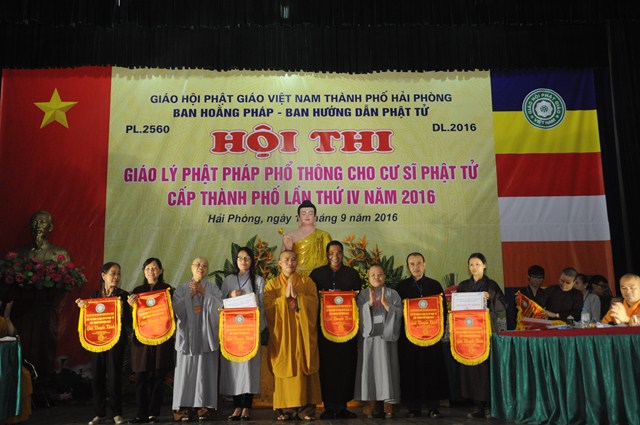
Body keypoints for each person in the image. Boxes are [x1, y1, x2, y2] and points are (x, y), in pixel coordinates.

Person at [263, 250, 321, 421]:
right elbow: (268, 307)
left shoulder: (307, 282)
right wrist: (284, 299)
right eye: (286, 260)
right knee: (284, 367)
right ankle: (287, 410)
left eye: (293, 259)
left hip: (303, 334)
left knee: (304, 367)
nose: (290, 262)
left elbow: (314, 304)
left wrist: (299, 298)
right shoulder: (272, 285)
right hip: (283, 337)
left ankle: (306, 410)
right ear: (280, 264)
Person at [309, 241, 363, 420]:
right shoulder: (317, 274)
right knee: (327, 367)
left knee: (346, 365)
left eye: (339, 252)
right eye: (332, 253)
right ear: (327, 255)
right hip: (325, 329)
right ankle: (329, 407)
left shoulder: (352, 274)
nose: (335, 256)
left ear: (343, 254)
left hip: (347, 329)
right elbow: (311, 299)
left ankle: (343, 406)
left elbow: (358, 299)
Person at [75, 262, 130, 425]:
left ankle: (117, 414)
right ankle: (99, 414)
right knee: (97, 377)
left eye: (118, 273)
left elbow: (129, 322)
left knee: (114, 377)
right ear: (103, 276)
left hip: (116, 341)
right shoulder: (94, 295)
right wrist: (82, 307)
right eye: (113, 273)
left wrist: (125, 310)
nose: (116, 277)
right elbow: (89, 318)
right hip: (97, 341)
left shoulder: (123, 295)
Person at [395, 252, 448, 418]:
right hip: (409, 339)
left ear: (424, 265)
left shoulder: (435, 285)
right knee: (411, 371)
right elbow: (397, 313)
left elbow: (443, 310)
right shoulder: (401, 287)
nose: (416, 267)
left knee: (432, 370)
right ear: (408, 266)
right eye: (412, 264)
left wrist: (438, 331)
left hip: (431, 337)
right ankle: (414, 407)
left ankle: (434, 407)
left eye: (419, 263)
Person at [172, 257, 223, 422]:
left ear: (207, 269)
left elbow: (220, 309)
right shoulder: (182, 288)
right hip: (187, 337)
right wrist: (190, 295)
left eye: (204, 265)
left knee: (205, 371)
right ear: (191, 268)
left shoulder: (213, 288)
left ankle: (204, 407)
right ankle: (183, 408)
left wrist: (204, 293)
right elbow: (176, 309)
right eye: (197, 264)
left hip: (206, 336)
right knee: (185, 371)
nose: (201, 267)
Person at [456, 253, 506, 419]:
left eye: (477, 264)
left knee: (487, 367)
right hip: (469, 332)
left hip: (486, 331)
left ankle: (491, 405)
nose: (474, 267)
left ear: (484, 265)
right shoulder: (463, 285)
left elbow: (502, 306)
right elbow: (457, 307)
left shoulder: (491, 285)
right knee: (473, 368)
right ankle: (477, 406)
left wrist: (490, 297)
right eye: (471, 264)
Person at [219, 247, 266, 422]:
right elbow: (220, 303)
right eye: (240, 258)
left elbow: (264, 305)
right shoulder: (229, 280)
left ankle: (247, 407)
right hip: (233, 332)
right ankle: (236, 406)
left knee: (249, 369)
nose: (243, 261)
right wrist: (230, 295)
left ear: (252, 261)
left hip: (249, 332)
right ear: (236, 260)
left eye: (247, 258)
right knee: (234, 369)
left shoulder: (258, 280)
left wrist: (254, 302)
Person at [127, 258, 175, 424]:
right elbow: (130, 319)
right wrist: (131, 306)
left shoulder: (167, 290)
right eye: (148, 268)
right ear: (143, 271)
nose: (151, 271)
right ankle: (141, 414)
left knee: (158, 376)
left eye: (154, 268)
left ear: (160, 271)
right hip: (142, 340)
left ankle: (153, 413)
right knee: (141, 376)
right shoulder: (137, 291)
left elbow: (173, 313)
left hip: (162, 339)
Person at [354, 265, 402, 419]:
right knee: (369, 371)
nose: (376, 277)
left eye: (380, 274)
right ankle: (371, 409)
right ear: (368, 278)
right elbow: (357, 315)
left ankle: (389, 408)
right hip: (369, 341)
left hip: (386, 340)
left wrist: (388, 306)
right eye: (373, 275)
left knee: (388, 371)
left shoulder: (392, 294)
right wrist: (367, 305)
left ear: (384, 277)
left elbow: (399, 313)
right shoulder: (363, 295)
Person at [0, 300, 33, 425]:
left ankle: (10, 416)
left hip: (3, 361)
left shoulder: (1, 320)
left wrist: (7, 317)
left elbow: (13, 335)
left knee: (23, 375)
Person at [281, 200, 332, 276]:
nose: (307, 216)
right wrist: (288, 249)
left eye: (310, 213)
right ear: (298, 217)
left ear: (315, 217)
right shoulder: (290, 236)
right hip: (296, 276)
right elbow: (282, 263)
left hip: (319, 276)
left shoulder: (324, 235)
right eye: (304, 214)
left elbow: (331, 258)